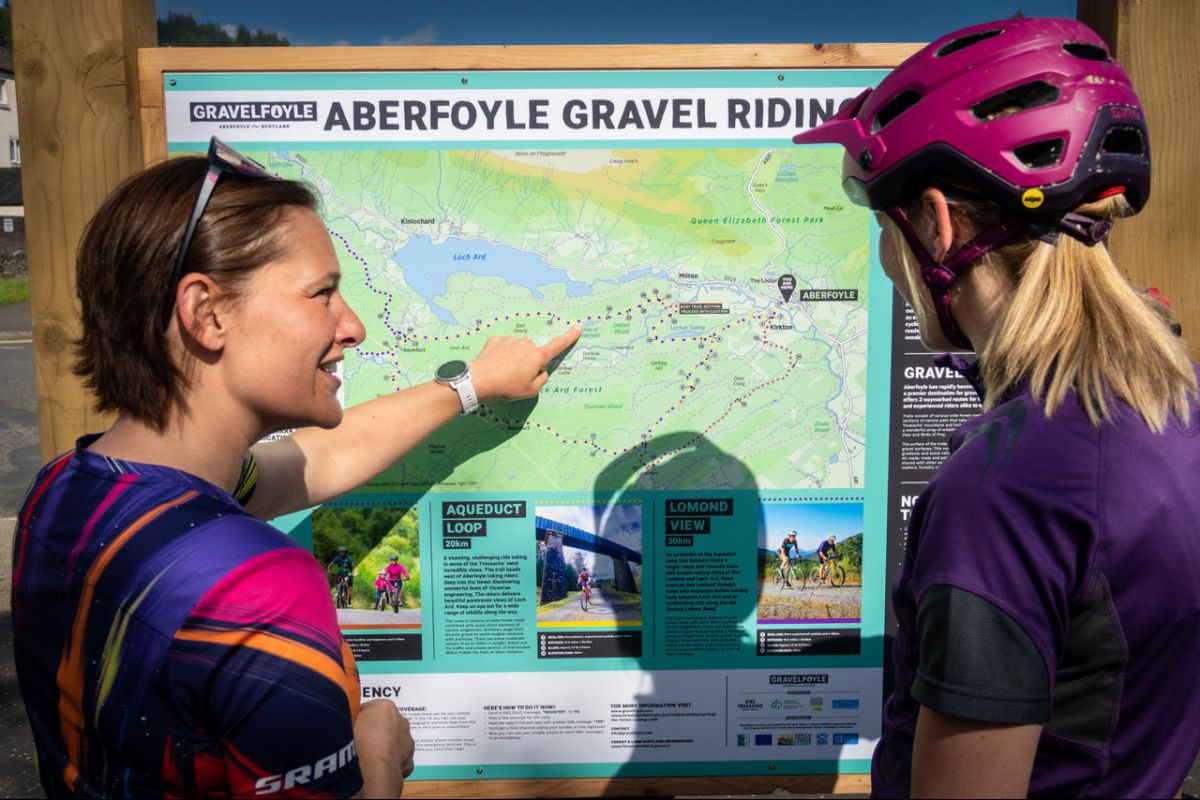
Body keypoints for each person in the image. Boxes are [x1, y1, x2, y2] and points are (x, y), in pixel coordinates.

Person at [11, 137, 582, 798]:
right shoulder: (256, 589)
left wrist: (471, 386)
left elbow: (324, 457)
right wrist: (376, 751)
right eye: (322, 294)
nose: (353, 326)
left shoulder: (62, 492)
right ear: (207, 313)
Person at [794, 17, 1199, 798]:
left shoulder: (1005, 491)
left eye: (886, 227)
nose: (887, 260)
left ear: (937, 223)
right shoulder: (1172, 408)